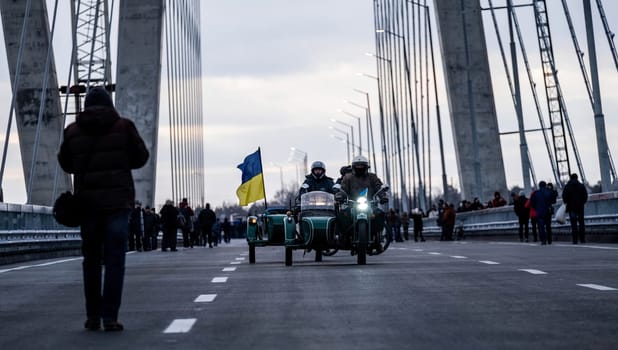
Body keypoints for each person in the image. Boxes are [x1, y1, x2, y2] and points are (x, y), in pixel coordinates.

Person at [57, 86, 149, 332]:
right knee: (115, 260)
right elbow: (141, 158)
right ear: (110, 104)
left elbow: (66, 164)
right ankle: (110, 317)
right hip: (118, 204)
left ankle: (92, 316)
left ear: (85, 106)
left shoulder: (72, 131)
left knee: (91, 261)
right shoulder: (124, 127)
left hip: (87, 206)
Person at [338, 155, 389, 249]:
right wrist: (340, 196)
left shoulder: (372, 177)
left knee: (379, 214)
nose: (360, 168)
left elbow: (379, 187)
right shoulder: (348, 178)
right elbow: (343, 189)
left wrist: (383, 196)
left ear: (366, 167)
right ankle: (344, 237)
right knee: (342, 215)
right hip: (352, 204)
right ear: (353, 167)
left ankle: (377, 237)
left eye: (362, 166)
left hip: (370, 204)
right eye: (358, 166)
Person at [562, 173, 588, 244]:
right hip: (580, 207)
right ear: (577, 177)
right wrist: (582, 202)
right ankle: (582, 239)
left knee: (574, 224)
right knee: (581, 223)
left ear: (570, 178)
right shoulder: (581, 186)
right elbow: (585, 196)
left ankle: (575, 240)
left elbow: (564, 197)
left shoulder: (567, 186)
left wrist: (567, 203)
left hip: (571, 207)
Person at [530, 181, 555, 245]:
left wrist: (537, 208)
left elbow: (532, 203)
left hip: (540, 212)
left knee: (541, 226)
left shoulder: (535, 193)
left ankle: (543, 240)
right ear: (545, 185)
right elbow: (553, 201)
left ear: (539, 186)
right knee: (548, 226)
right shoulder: (549, 192)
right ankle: (549, 240)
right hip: (547, 211)